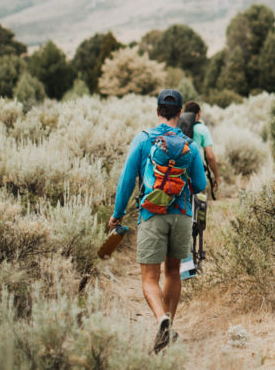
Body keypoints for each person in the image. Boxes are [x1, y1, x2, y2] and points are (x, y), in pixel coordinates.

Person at [109, 89, 208, 353]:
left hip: (152, 215)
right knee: (173, 272)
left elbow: (127, 180)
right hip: (182, 216)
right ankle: (170, 325)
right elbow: (199, 184)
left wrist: (117, 214)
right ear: (179, 114)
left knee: (149, 278)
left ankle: (161, 319)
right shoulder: (191, 145)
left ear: (157, 111)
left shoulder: (143, 139)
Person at [182, 100, 220, 190]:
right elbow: (210, 156)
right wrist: (217, 176)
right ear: (198, 113)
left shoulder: (177, 127)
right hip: (194, 167)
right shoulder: (202, 129)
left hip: (178, 167)